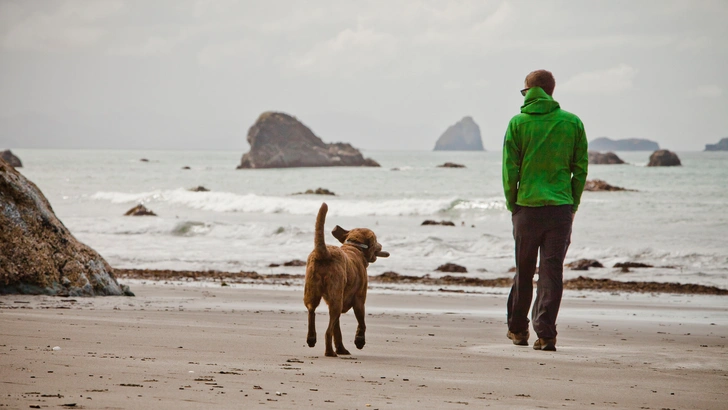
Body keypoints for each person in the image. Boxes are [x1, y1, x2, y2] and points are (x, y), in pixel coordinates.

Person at [502, 69, 588, 351]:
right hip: (560, 208)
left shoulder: (518, 123)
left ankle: (517, 330)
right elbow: (580, 169)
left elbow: (509, 170)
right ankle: (546, 334)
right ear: (551, 90)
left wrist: (512, 203)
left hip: (526, 208)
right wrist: (572, 205)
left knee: (524, 271)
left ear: (529, 90)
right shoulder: (572, 123)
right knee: (552, 273)